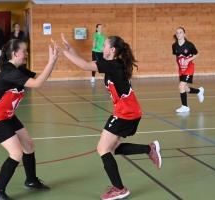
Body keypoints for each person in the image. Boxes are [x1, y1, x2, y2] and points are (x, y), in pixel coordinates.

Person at [54, 34, 162, 200]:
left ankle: (120, 189)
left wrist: (61, 51)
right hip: (128, 112)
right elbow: (87, 63)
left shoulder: (113, 65)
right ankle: (149, 149)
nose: (101, 48)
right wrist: (70, 48)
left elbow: (84, 66)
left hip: (126, 113)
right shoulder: (113, 64)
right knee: (110, 149)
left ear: (112, 50)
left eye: (104, 45)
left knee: (103, 149)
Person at [0, 38, 58, 200]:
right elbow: (37, 84)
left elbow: (39, 77)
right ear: (15, 53)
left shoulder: (19, 69)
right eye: (24, 51)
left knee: (29, 146)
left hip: (8, 116)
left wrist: (53, 63)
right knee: (16, 153)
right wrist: (51, 62)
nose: (27, 53)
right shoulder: (9, 72)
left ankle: (31, 181)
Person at [172, 27, 204, 113]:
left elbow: (196, 54)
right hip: (181, 69)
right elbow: (176, 56)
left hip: (189, 68)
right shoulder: (174, 46)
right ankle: (199, 91)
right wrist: (176, 64)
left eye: (180, 32)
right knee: (185, 88)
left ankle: (185, 106)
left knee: (181, 86)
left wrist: (188, 60)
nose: (178, 34)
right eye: (177, 33)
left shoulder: (189, 45)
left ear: (184, 34)